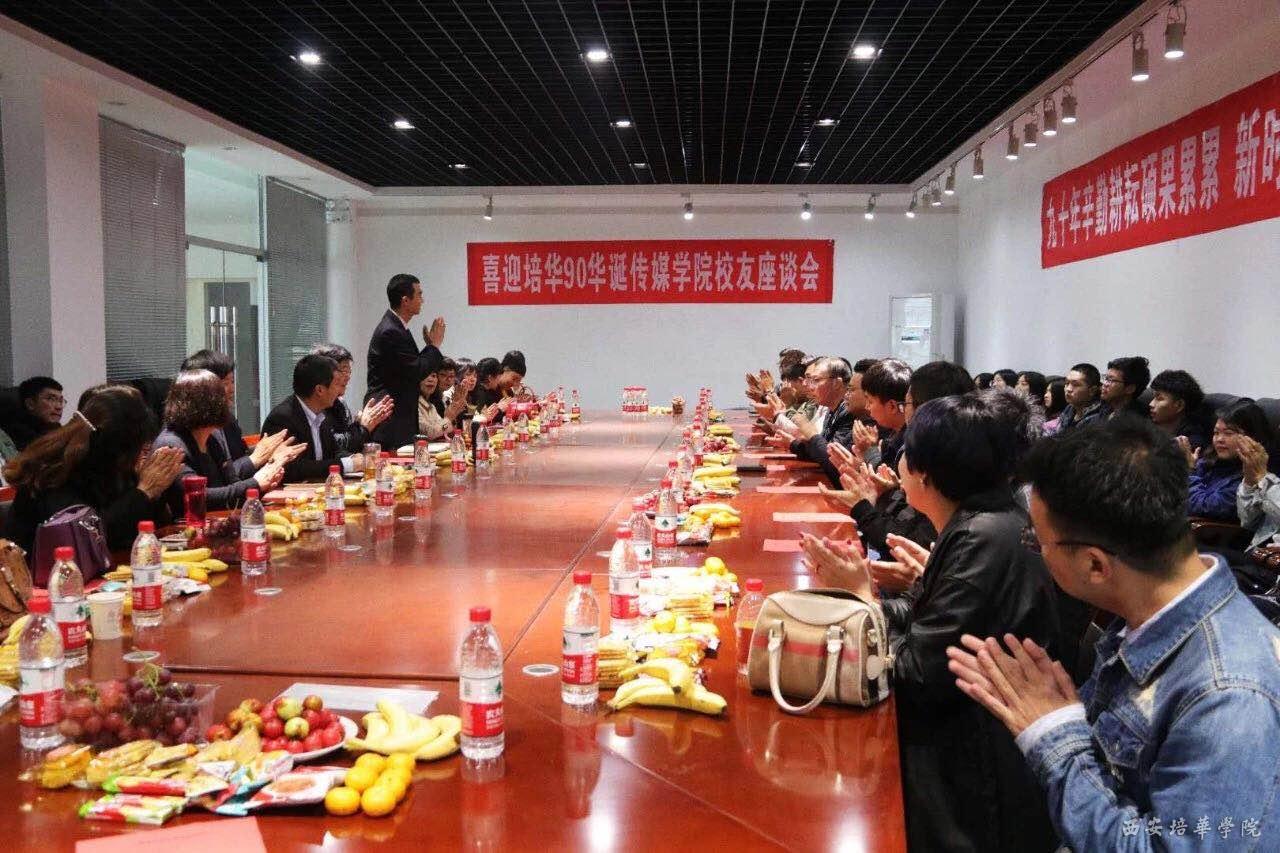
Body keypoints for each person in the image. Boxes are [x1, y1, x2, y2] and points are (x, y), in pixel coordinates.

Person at [947, 418, 1280, 853]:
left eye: (1036, 541)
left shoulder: (1229, 696)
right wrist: (1066, 719)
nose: (1036, 552)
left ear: (1095, 565)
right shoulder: (1149, 612)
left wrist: (1053, 735)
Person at [803, 393, 1061, 851]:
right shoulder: (980, 520)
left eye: (907, 453)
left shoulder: (983, 537)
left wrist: (860, 598)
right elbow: (928, 616)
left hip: (969, 771)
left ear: (924, 471)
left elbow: (916, 673)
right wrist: (859, 598)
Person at [821, 361, 974, 561]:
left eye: (906, 404)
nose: (904, 409)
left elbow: (907, 539)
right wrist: (885, 490)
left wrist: (865, 502)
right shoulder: (924, 446)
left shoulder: (936, 459)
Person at [2, 385, 182, 552]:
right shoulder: (54, 468)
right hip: (46, 570)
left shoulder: (109, 461)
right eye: (139, 446)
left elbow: (143, 528)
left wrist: (157, 490)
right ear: (122, 444)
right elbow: (85, 536)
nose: (142, 452)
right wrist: (144, 491)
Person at [154, 371, 294, 516]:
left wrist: (265, 480)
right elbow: (198, 497)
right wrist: (255, 483)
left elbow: (232, 484)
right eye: (221, 397)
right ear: (205, 405)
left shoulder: (212, 437)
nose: (229, 401)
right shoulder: (172, 445)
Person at [365, 273, 446, 449]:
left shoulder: (397, 327)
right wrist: (434, 346)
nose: (422, 300)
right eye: (419, 294)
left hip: (399, 414)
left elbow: (410, 365)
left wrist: (430, 348)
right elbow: (416, 370)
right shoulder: (391, 331)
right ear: (406, 300)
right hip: (391, 416)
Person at [262, 355, 368, 481]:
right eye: (336, 384)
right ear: (320, 390)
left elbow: (334, 452)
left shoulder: (322, 414)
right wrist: (347, 464)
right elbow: (293, 468)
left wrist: (354, 458)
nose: (339, 391)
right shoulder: (282, 419)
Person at [1183, 399, 1278, 522]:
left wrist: (1190, 471)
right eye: (1216, 433)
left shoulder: (1250, 477)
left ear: (1252, 438)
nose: (1219, 439)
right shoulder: (1209, 460)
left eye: (1228, 433)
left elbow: (1202, 507)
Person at [767, 357, 853, 488]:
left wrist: (809, 432)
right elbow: (817, 451)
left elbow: (833, 461)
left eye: (816, 381)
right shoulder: (830, 409)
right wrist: (793, 444)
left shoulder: (849, 412)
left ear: (836, 383)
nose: (810, 387)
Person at [310, 344, 394, 454]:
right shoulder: (311, 405)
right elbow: (332, 445)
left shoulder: (340, 404)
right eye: (343, 370)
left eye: (349, 371)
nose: (348, 377)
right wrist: (362, 427)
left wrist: (362, 425)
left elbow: (351, 446)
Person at [181, 350, 248, 461]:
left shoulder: (228, 420)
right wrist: (255, 459)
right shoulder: (184, 435)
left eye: (232, 382)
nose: (232, 389)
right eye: (225, 383)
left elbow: (238, 458)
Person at [857, 358, 912, 467]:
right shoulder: (895, 434)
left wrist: (870, 450)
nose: (867, 407)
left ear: (892, 406)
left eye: (870, 401)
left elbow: (887, 475)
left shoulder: (911, 446)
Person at [1148, 368, 1209, 451]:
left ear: (1179, 405)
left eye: (1159, 399)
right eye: (1153, 397)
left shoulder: (1190, 443)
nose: (1151, 404)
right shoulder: (1146, 427)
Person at [6, 376, 65, 450]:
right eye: (51, 399)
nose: (59, 407)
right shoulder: (15, 438)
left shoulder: (60, 432)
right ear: (30, 404)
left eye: (60, 401)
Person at [1055, 363, 1104, 431]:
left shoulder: (1098, 417)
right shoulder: (1069, 408)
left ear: (1092, 390)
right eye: (1067, 383)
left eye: (1075, 385)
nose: (1068, 389)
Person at [1099, 356, 1151, 420]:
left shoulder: (1137, 420)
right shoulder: (1103, 408)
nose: (1104, 384)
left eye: (1111, 380)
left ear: (1130, 389)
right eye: (1106, 378)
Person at [418, 371, 466, 440]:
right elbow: (429, 433)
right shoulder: (413, 405)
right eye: (425, 376)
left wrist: (453, 414)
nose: (430, 379)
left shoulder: (431, 406)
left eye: (433, 376)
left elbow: (443, 429)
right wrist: (449, 418)